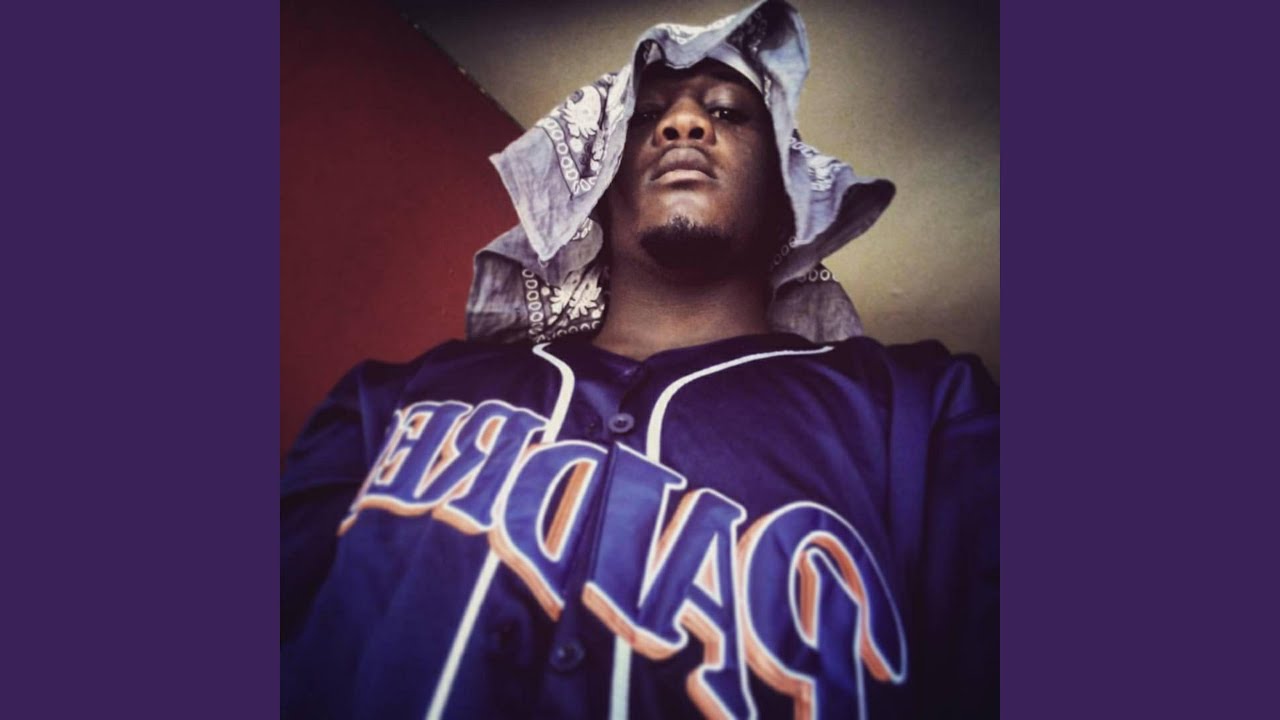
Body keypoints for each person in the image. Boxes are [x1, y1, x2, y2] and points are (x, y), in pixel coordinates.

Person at [281, 1, 998, 718]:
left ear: (787, 195)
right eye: (646, 115)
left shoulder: (923, 412)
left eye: (729, 112)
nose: (683, 123)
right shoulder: (395, 397)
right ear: (597, 189)